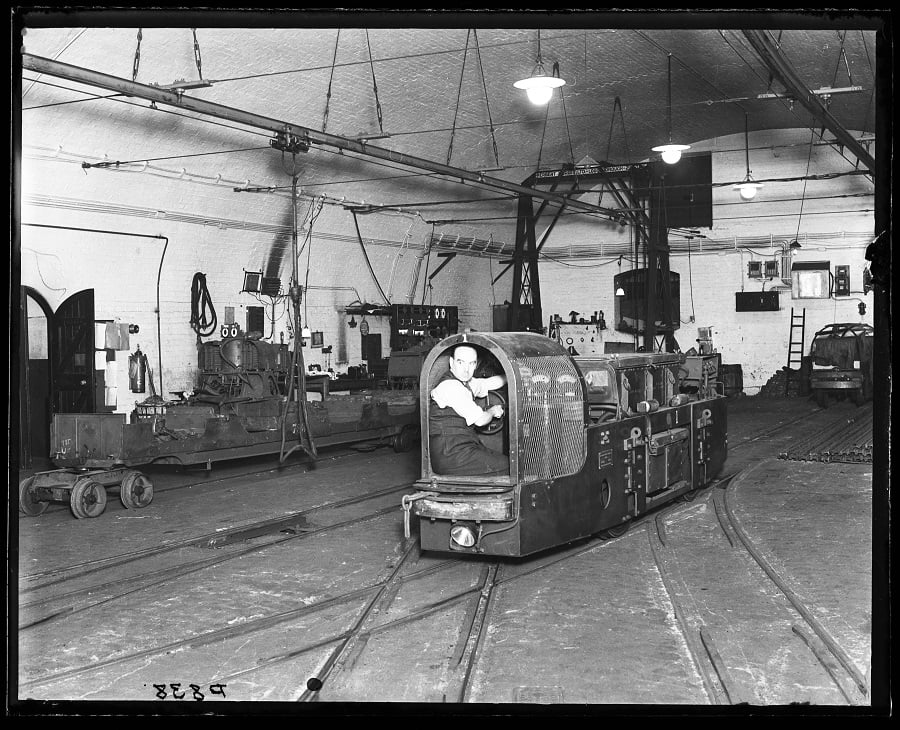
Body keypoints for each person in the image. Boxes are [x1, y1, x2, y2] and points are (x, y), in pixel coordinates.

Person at [429, 344, 508, 475]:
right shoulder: (451, 386)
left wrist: (511, 376)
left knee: (508, 462)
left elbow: (488, 383)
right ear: (451, 362)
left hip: (464, 449)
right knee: (512, 468)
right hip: (451, 456)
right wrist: (492, 411)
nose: (466, 370)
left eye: (471, 363)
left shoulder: (466, 382)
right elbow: (481, 420)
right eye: (461, 362)